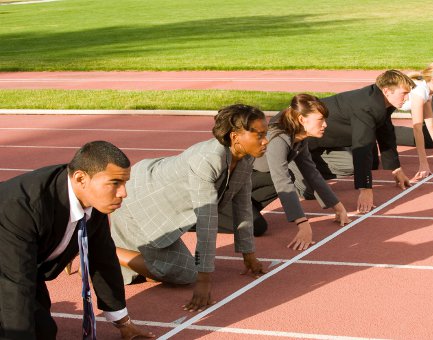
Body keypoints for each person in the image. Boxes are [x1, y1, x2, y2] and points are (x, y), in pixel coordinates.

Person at [109, 104, 268, 313]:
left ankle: (128, 252)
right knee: (185, 273)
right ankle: (101, 250)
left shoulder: (245, 158)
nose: (266, 141)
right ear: (235, 136)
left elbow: (243, 204)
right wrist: (204, 280)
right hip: (140, 200)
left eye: (267, 133)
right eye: (260, 135)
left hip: (165, 209)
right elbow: (207, 221)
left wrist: (249, 254)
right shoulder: (207, 160)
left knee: (165, 269)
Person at [0, 141, 154, 339]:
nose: (123, 193)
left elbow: (103, 260)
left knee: (43, 331)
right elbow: (15, 283)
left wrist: (124, 324)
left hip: (20, 267)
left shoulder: (92, 202)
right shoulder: (22, 207)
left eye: (124, 183)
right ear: (81, 178)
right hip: (8, 266)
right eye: (115, 183)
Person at [251, 94, 351, 250]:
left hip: (250, 182)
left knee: (288, 176)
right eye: (320, 120)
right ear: (302, 120)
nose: (325, 125)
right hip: (229, 187)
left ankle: (246, 208)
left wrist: (337, 206)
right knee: (258, 227)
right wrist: (303, 224)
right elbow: (281, 180)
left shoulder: (299, 137)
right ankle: (212, 216)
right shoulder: (278, 139)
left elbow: (311, 171)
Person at [308, 70, 415, 214]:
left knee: (358, 165)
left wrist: (396, 168)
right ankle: (301, 174)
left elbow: (385, 132)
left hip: (326, 141)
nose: (407, 98)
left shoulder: (383, 100)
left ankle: (310, 172)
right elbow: (362, 147)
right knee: (307, 193)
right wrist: (365, 189)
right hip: (305, 142)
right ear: (387, 90)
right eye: (404, 93)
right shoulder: (367, 106)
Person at [398, 62, 433, 182]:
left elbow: (431, 123)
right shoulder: (420, 92)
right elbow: (417, 128)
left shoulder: (427, 91)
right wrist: (423, 163)